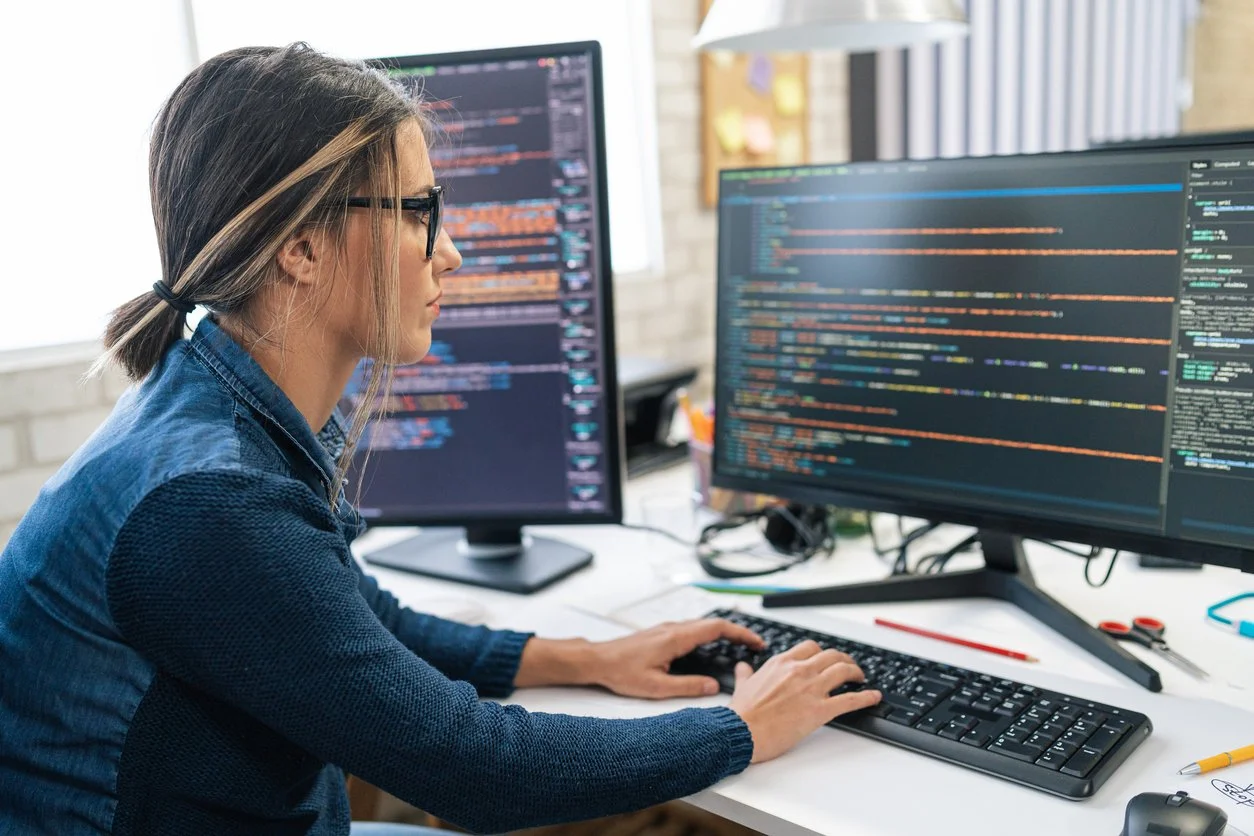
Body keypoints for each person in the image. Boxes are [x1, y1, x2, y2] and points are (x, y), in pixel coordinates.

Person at [0, 43, 881, 836]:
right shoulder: (209, 500)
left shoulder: (215, 409)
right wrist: (739, 729)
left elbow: (351, 623)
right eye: (421, 210)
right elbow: (471, 771)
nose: (449, 252)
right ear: (300, 247)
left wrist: (589, 658)